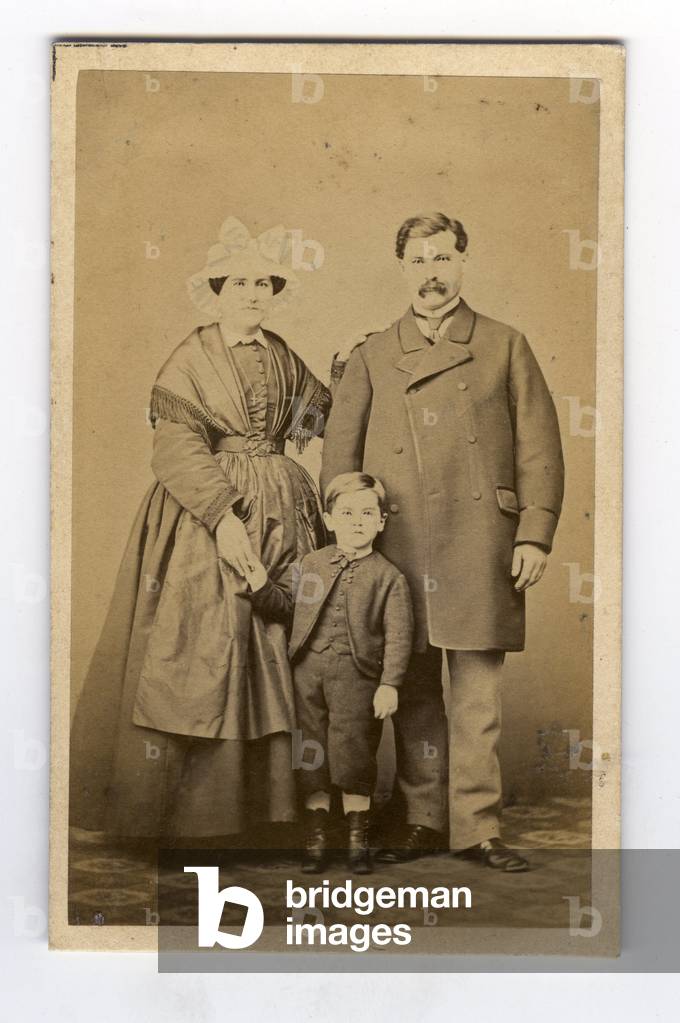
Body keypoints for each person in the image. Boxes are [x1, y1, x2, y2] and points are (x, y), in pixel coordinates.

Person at [69, 217, 333, 840]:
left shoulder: (281, 353)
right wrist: (221, 518)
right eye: (239, 283)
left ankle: (276, 814)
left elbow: (322, 416)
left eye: (263, 284)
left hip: (285, 513)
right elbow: (177, 447)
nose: (252, 294)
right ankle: (200, 818)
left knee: (285, 640)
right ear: (217, 290)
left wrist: (356, 370)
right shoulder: (191, 356)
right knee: (208, 646)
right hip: (206, 517)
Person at [322, 211, 565, 872]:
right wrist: (350, 538)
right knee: (413, 688)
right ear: (402, 268)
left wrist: (535, 534)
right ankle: (424, 820)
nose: (431, 273)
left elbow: (540, 448)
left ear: (462, 261)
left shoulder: (506, 344)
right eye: (419, 261)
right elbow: (339, 460)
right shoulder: (372, 354)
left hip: (482, 541)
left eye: (442, 258)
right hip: (397, 545)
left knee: (478, 696)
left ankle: (478, 827)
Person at [243, 472, 414, 874]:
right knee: (310, 753)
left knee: (354, 754)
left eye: (367, 514)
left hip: (357, 680)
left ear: (381, 522)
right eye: (347, 513)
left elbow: (399, 636)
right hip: (306, 675)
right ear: (329, 519)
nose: (357, 522)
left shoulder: (389, 577)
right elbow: (286, 607)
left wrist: (389, 684)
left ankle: (357, 838)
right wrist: (259, 584)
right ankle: (316, 836)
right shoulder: (311, 564)